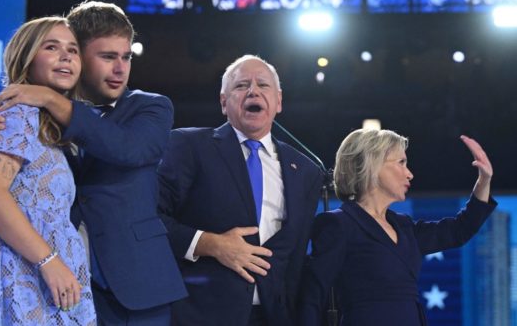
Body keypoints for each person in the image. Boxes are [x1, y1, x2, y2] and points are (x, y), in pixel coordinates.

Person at [0, 1, 186, 325]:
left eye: (126, 57)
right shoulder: (31, 115)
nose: (121, 68)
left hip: (137, 287)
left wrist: (52, 99)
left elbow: (129, 150)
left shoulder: (151, 107)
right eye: (108, 57)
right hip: (55, 285)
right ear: (75, 54)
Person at [157, 54, 323, 326]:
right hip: (199, 313)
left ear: (279, 101)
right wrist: (211, 244)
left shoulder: (305, 170)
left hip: (274, 316)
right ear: (224, 102)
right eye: (241, 85)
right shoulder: (189, 146)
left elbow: (295, 260)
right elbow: (151, 218)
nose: (253, 91)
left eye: (263, 85)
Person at [0, 16, 96, 324]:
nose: (66, 56)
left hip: (44, 271)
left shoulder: (50, 124)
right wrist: (49, 261)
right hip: (21, 269)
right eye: (52, 47)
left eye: (72, 50)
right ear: (26, 57)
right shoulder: (19, 113)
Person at [298, 129, 497, 326]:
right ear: (372, 165)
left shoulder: (404, 226)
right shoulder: (339, 224)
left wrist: (484, 180)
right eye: (401, 162)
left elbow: (458, 231)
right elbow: (311, 297)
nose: (409, 174)